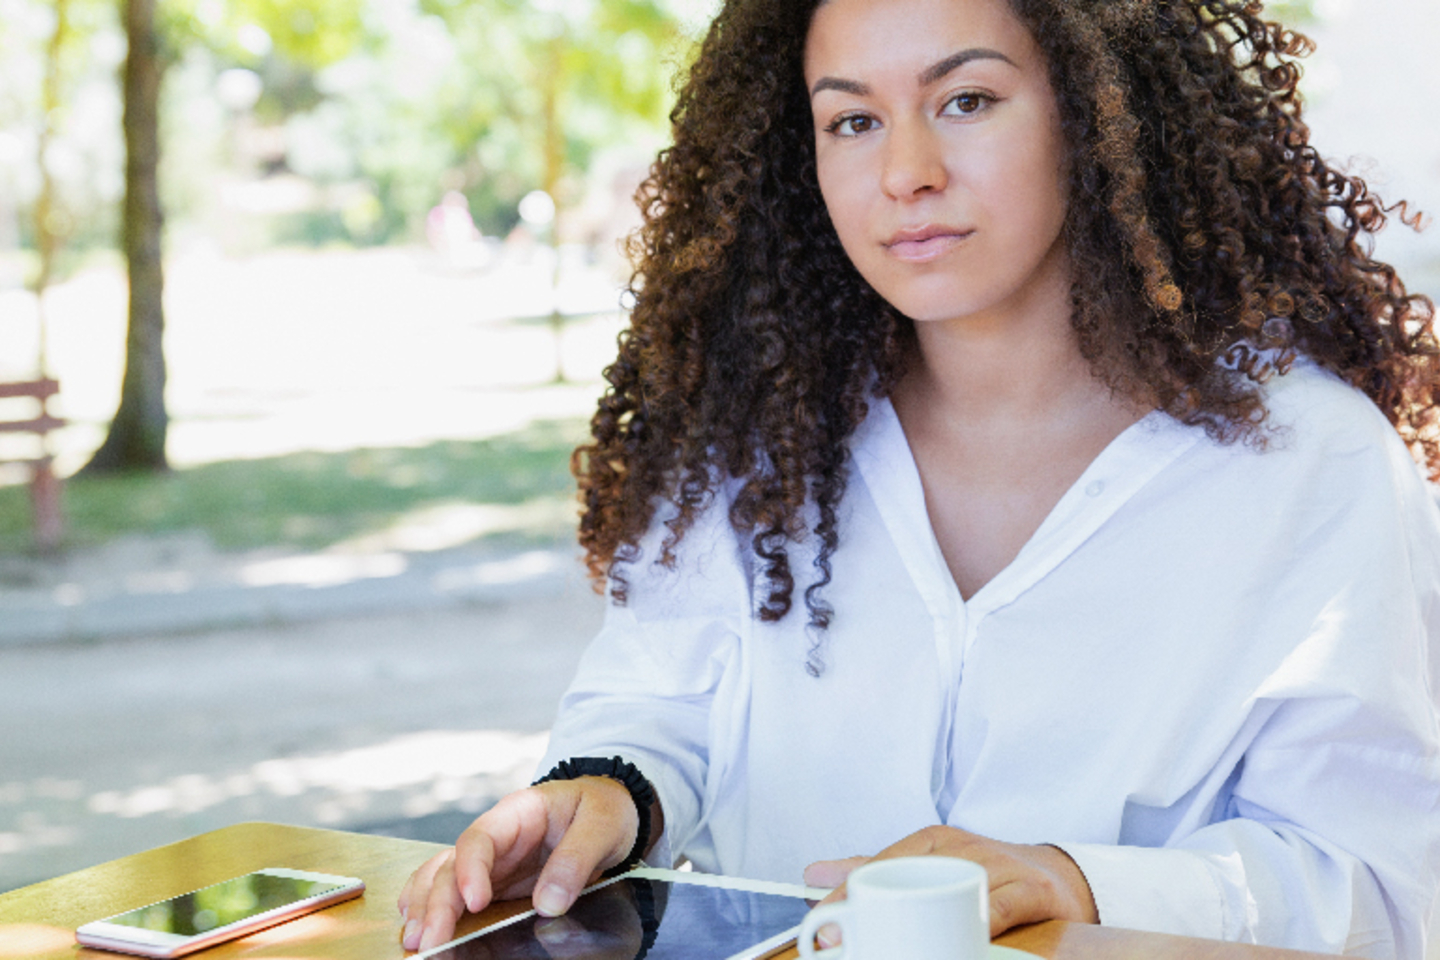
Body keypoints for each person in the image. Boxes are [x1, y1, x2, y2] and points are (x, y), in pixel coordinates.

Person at [400, 0, 1440, 956]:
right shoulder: (768, 430)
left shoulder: (1312, 463)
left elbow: (1388, 890)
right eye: (852, 121)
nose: (906, 172)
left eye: (967, 101)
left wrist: (1077, 883)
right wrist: (607, 791)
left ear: (1097, 111)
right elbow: (658, 699)